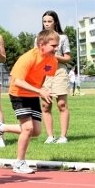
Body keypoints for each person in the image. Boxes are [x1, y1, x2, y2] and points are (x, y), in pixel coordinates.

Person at [0, 30, 59, 174]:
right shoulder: (27, 58)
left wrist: (44, 89)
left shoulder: (52, 59)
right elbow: (17, 81)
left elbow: (45, 76)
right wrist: (40, 91)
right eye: (53, 45)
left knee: (36, 131)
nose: (56, 48)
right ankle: (19, 163)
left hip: (33, 94)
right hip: (18, 93)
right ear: (41, 44)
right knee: (27, 128)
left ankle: (1, 128)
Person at [39, 10, 71, 144]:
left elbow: (68, 58)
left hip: (59, 71)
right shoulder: (38, 38)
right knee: (46, 105)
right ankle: (50, 136)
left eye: (49, 21)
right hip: (45, 72)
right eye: (44, 21)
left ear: (55, 22)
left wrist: (54, 55)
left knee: (61, 104)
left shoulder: (62, 38)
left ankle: (63, 136)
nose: (46, 24)